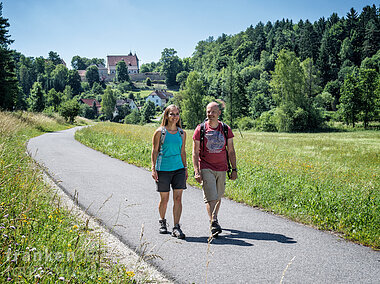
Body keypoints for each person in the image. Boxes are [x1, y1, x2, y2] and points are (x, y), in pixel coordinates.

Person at [192, 102, 237, 237]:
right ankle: (214, 221)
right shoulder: (200, 129)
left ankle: (214, 221)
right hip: (206, 167)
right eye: (208, 111)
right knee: (210, 195)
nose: (210, 114)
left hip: (222, 167)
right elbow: (195, 152)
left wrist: (234, 169)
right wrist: (196, 170)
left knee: (218, 196)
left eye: (213, 112)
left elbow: (231, 151)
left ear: (219, 113)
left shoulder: (225, 129)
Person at [151, 105, 187, 239]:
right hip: (163, 169)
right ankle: (162, 221)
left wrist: (185, 168)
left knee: (178, 198)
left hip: (178, 169)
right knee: (164, 199)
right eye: (172, 114)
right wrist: (153, 168)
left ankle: (176, 227)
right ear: (166, 115)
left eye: (177, 114)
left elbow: (183, 152)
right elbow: (154, 151)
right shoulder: (160, 132)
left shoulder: (182, 133)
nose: (175, 117)